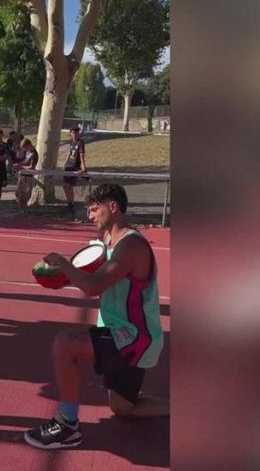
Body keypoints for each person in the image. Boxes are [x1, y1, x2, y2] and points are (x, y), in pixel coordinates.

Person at [24, 184, 167, 449]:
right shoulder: (109, 243)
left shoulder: (130, 246)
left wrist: (64, 266)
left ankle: (67, 424)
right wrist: (61, 279)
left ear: (113, 208)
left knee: (64, 343)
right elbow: (93, 279)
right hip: (129, 336)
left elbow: (93, 287)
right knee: (123, 408)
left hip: (131, 338)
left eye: (93, 209)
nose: (90, 216)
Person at [62, 125, 87, 214]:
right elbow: (69, 153)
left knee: (69, 185)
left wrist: (83, 167)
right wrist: (65, 163)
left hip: (74, 166)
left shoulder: (81, 142)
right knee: (65, 186)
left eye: (76, 132)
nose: (75, 134)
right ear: (70, 133)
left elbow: (81, 155)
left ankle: (71, 204)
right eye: (73, 132)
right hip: (68, 166)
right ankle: (70, 203)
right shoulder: (71, 142)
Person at [13, 139, 38, 213]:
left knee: (24, 194)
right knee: (19, 193)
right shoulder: (28, 152)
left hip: (28, 176)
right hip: (22, 175)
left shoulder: (34, 154)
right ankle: (21, 209)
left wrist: (21, 167)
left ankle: (24, 209)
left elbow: (32, 167)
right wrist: (19, 164)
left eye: (24, 147)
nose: (24, 149)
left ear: (28, 145)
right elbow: (25, 161)